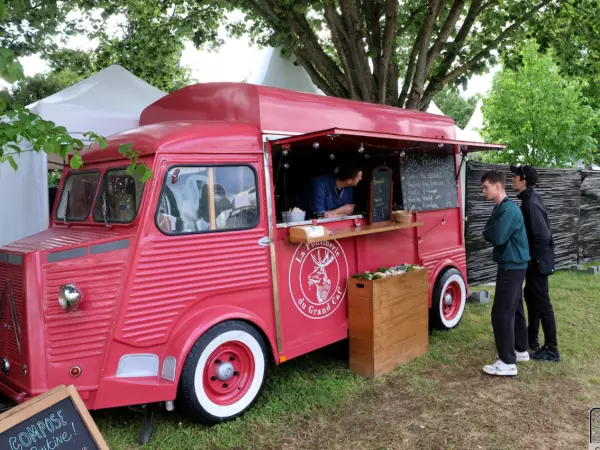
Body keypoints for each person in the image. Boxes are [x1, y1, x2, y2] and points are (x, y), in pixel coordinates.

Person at [480, 169, 531, 376]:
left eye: (486, 187)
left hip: (512, 266)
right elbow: (488, 230)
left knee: (501, 313)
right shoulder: (501, 208)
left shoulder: (507, 210)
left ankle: (507, 362)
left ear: (497, 186)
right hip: (514, 265)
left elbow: (496, 236)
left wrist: (490, 230)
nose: (483, 191)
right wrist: (490, 229)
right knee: (515, 308)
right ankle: (520, 350)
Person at [510, 164, 560, 362]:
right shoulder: (529, 198)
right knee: (531, 297)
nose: (512, 178)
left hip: (538, 262)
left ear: (524, 180)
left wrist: (533, 261)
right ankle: (532, 339)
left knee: (543, 303)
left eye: (515, 176)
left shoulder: (530, 202)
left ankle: (552, 350)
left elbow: (542, 235)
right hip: (535, 261)